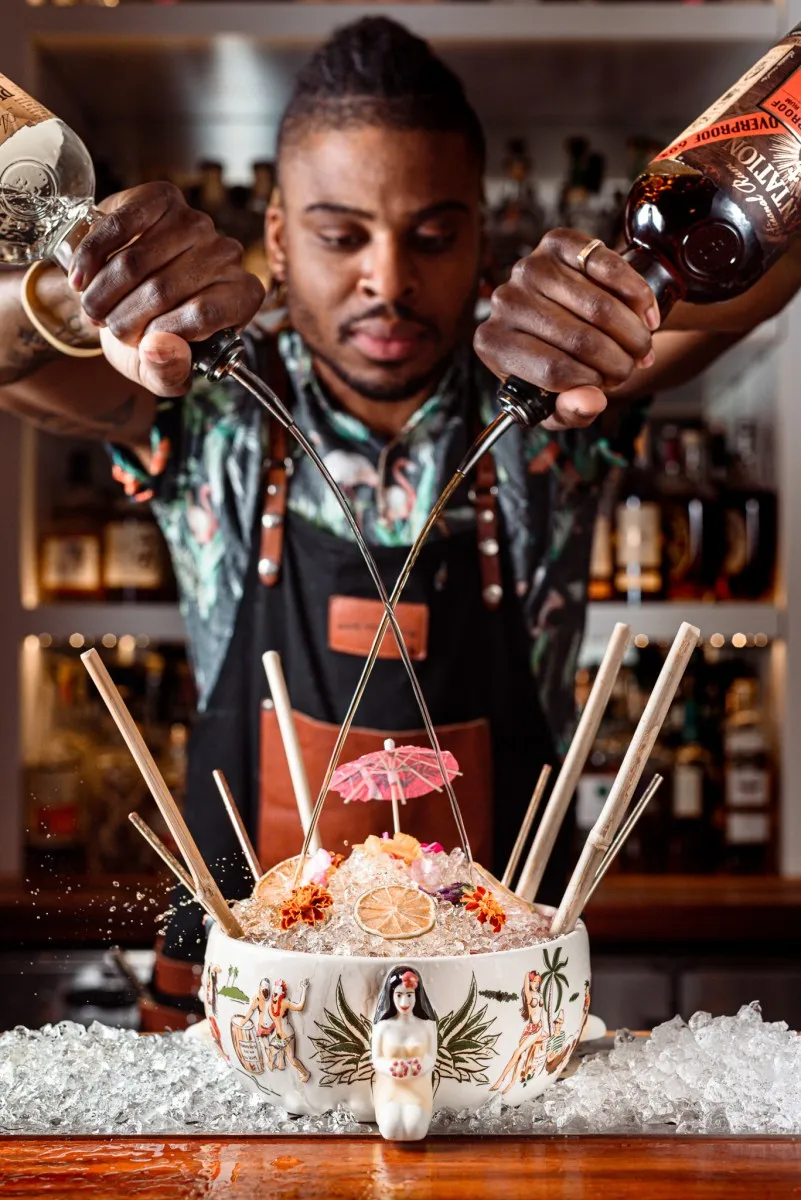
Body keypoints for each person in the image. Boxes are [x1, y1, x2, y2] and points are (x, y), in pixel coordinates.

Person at [0, 18, 797, 1029]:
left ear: (482, 235)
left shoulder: (556, 407)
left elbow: (759, 291)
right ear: (280, 238)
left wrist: (645, 290)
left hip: (495, 1005)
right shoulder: (209, 408)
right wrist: (88, 313)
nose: (388, 279)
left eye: (432, 234)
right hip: (240, 1014)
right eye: (341, 235)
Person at [371, 965, 438, 1141]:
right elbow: (377, 1059)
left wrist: (419, 1067)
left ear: (418, 995)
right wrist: (391, 1067)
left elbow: (431, 1056)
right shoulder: (383, 1027)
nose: (404, 1003)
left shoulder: (427, 1025)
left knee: (415, 1129)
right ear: (391, 995)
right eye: (399, 995)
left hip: (417, 1089)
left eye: (409, 995)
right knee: (391, 1129)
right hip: (391, 1088)